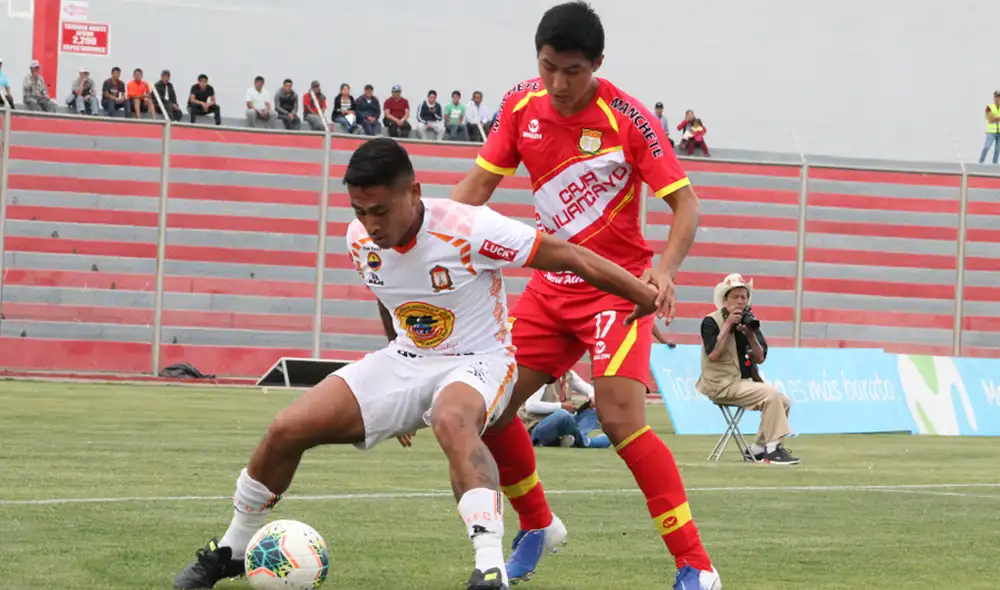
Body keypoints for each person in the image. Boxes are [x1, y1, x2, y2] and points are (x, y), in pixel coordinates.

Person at [171, 137, 660, 590]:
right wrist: (398, 400)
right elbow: (389, 296)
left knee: (452, 419)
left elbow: (571, 256)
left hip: (480, 360)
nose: (371, 225)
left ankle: (490, 568)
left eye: (380, 211)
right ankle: (234, 548)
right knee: (286, 428)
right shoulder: (359, 239)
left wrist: (643, 293)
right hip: (407, 357)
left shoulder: (470, 227)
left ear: (414, 193)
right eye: (360, 211)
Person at [449, 3, 720, 589]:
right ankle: (538, 525)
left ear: (597, 63)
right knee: (489, 408)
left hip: (618, 291)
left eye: (572, 71)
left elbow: (687, 204)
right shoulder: (519, 107)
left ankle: (696, 565)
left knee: (620, 419)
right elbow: (476, 189)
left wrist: (665, 271)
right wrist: (424, 234)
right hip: (550, 288)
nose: (557, 83)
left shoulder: (628, 118)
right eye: (547, 67)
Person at [696, 274, 798, 464]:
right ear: (725, 300)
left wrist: (750, 335)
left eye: (744, 297)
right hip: (720, 384)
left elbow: (760, 358)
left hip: (743, 382)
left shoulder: (749, 321)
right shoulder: (711, 321)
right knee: (772, 395)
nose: (740, 301)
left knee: (783, 401)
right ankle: (772, 451)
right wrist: (728, 324)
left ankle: (758, 449)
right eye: (735, 297)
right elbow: (713, 354)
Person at [520, 370, 610, 448]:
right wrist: (561, 406)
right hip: (537, 427)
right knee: (563, 415)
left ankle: (569, 439)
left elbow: (590, 389)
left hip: (562, 424)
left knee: (595, 409)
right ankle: (586, 442)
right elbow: (531, 406)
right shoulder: (543, 374)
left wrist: (591, 397)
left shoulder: (568, 374)